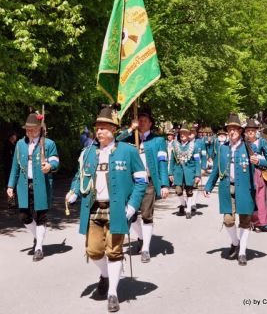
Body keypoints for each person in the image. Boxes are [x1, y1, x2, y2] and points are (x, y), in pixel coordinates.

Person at [66, 104, 148, 312]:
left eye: (104, 127)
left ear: (114, 129)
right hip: (93, 208)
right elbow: (80, 177)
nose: (100, 131)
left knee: (114, 250)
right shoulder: (87, 153)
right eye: (98, 127)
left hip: (119, 209)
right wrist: (74, 191)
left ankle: (113, 292)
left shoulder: (128, 151)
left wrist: (132, 207)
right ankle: (105, 274)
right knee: (93, 251)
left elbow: (141, 181)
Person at [116, 108, 169, 263]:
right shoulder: (129, 139)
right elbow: (116, 140)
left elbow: (162, 163)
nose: (141, 122)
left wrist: (164, 184)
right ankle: (140, 237)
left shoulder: (158, 141)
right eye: (139, 120)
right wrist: (130, 129)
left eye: (145, 120)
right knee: (130, 214)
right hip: (131, 182)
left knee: (146, 215)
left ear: (151, 123)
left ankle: (145, 248)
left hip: (148, 181)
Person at [204, 113, 256, 266]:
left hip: (245, 188)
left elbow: (263, 162)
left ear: (240, 131)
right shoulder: (222, 148)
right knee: (228, 220)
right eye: (229, 129)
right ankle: (235, 242)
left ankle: (242, 252)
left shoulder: (248, 147)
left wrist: (263, 163)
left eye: (234, 129)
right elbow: (215, 169)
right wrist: (208, 186)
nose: (231, 131)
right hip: (227, 187)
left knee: (245, 221)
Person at [7, 112, 59, 261]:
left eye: (33, 129)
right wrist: (10, 185)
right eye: (27, 129)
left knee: (41, 216)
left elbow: (55, 161)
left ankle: (39, 248)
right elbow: (15, 167)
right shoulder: (20, 144)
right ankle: (38, 236)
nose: (29, 132)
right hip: (23, 185)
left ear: (39, 128)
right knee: (24, 215)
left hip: (42, 184)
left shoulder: (48, 143)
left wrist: (50, 165)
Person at [245, 119, 267, 232]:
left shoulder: (262, 142)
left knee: (260, 198)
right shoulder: (243, 142)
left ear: (256, 131)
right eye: (248, 130)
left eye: (252, 130)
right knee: (249, 198)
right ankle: (249, 221)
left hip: (259, 172)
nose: (250, 132)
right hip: (246, 171)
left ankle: (260, 223)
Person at [169, 123, 201, 219]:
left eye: (185, 133)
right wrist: (170, 173)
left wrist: (197, 174)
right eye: (181, 133)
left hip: (189, 172)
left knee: (189, 191)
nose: (182, 135)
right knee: (178, 191)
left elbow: (197, 161)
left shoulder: (193, 146)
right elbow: (172, 161)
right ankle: (183, 204)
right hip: (178, 172)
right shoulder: (175, 146)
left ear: (188, 134)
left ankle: (188, 210)